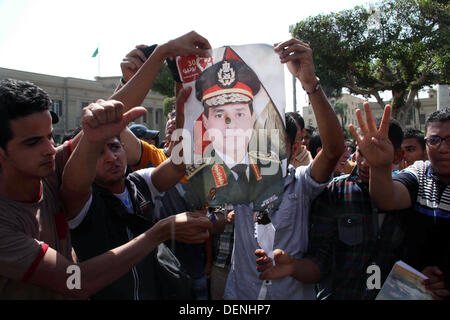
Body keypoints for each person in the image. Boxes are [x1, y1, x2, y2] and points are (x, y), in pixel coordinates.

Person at [0, 31, 213, 300]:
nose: (48, 149)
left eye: (50, 137)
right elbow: (75, 281)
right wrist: (158, 232)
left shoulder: (51, 173)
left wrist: (163, 54)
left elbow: (113, 118)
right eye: (32, 142)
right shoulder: (20, 216)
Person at [224, 38, 344, 300]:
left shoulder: (302, 183)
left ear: (292, 147)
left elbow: (334, 149)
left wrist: (309, 83)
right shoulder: (234, 183)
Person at [255, 107, 407, 300]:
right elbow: (319, 262)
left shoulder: (411, 195)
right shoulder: (335, 192)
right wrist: (294, 266)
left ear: (398, 156)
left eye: (377, 151)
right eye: (363, 152)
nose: (368, 162)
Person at [351, 105, 449, 300]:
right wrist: (379, 165)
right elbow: (387, 199)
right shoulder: (420, 173)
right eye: (434, 140)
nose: (442, 148)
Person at [185, 47, 284, 211]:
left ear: (252, 118)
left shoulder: (271, 168)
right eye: (219, 115)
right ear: (206, 122)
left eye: (239, 114)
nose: (230, 124)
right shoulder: (197, 177)